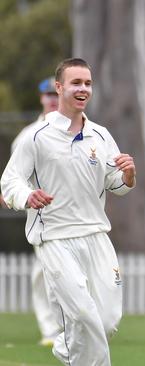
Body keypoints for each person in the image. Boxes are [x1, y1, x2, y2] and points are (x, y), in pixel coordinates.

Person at [1, 58, 136, 366]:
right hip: (56, 239)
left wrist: (129, 176)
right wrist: (27, 195)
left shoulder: (101, 135)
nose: (83, 89)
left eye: (87, 83)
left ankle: (68, 348)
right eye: (76, 83)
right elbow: (10, 181)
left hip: (97, 236)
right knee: (84, 316)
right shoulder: (35, 137)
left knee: (106, 321)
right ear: (60, 87)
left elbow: (115, 183)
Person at [7, 77, 63, 347]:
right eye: (48, 94)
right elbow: (13, 176)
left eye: (56, 93)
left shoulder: (80, 128)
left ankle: (73, 327)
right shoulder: (28, 135)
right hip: (41, 213)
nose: (52, 98)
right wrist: (17, 195)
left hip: (72, 213)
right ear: (41, 98)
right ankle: (51, 331)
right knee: (43, 272)